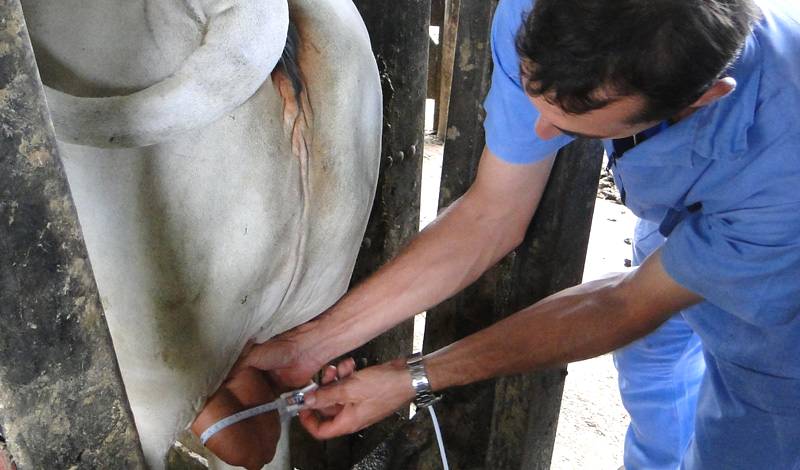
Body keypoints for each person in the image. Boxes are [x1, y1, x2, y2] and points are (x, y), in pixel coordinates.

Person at [230, 0, 800, 468]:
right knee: (652, 363)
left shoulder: (782, 168)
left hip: (778, 284)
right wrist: (313, 344)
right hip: (690, 211)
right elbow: (492, 215)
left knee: (747, 434)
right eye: (533, 95)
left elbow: (623, 304)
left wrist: (412, 377)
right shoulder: (539, 17)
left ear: (701, 98)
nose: (541, 130)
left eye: (572, 122)